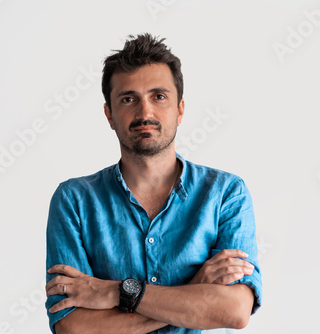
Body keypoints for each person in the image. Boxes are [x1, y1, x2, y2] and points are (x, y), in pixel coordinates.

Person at [45, 33, 262, 334]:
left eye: (158, 96)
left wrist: (116, 291)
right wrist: (195, 287)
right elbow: (73, 327)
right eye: (128, 99)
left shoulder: (225, 193)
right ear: (109, 114)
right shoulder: (74, 200)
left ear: (180, 109)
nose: (144, 112)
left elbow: (235, 311)